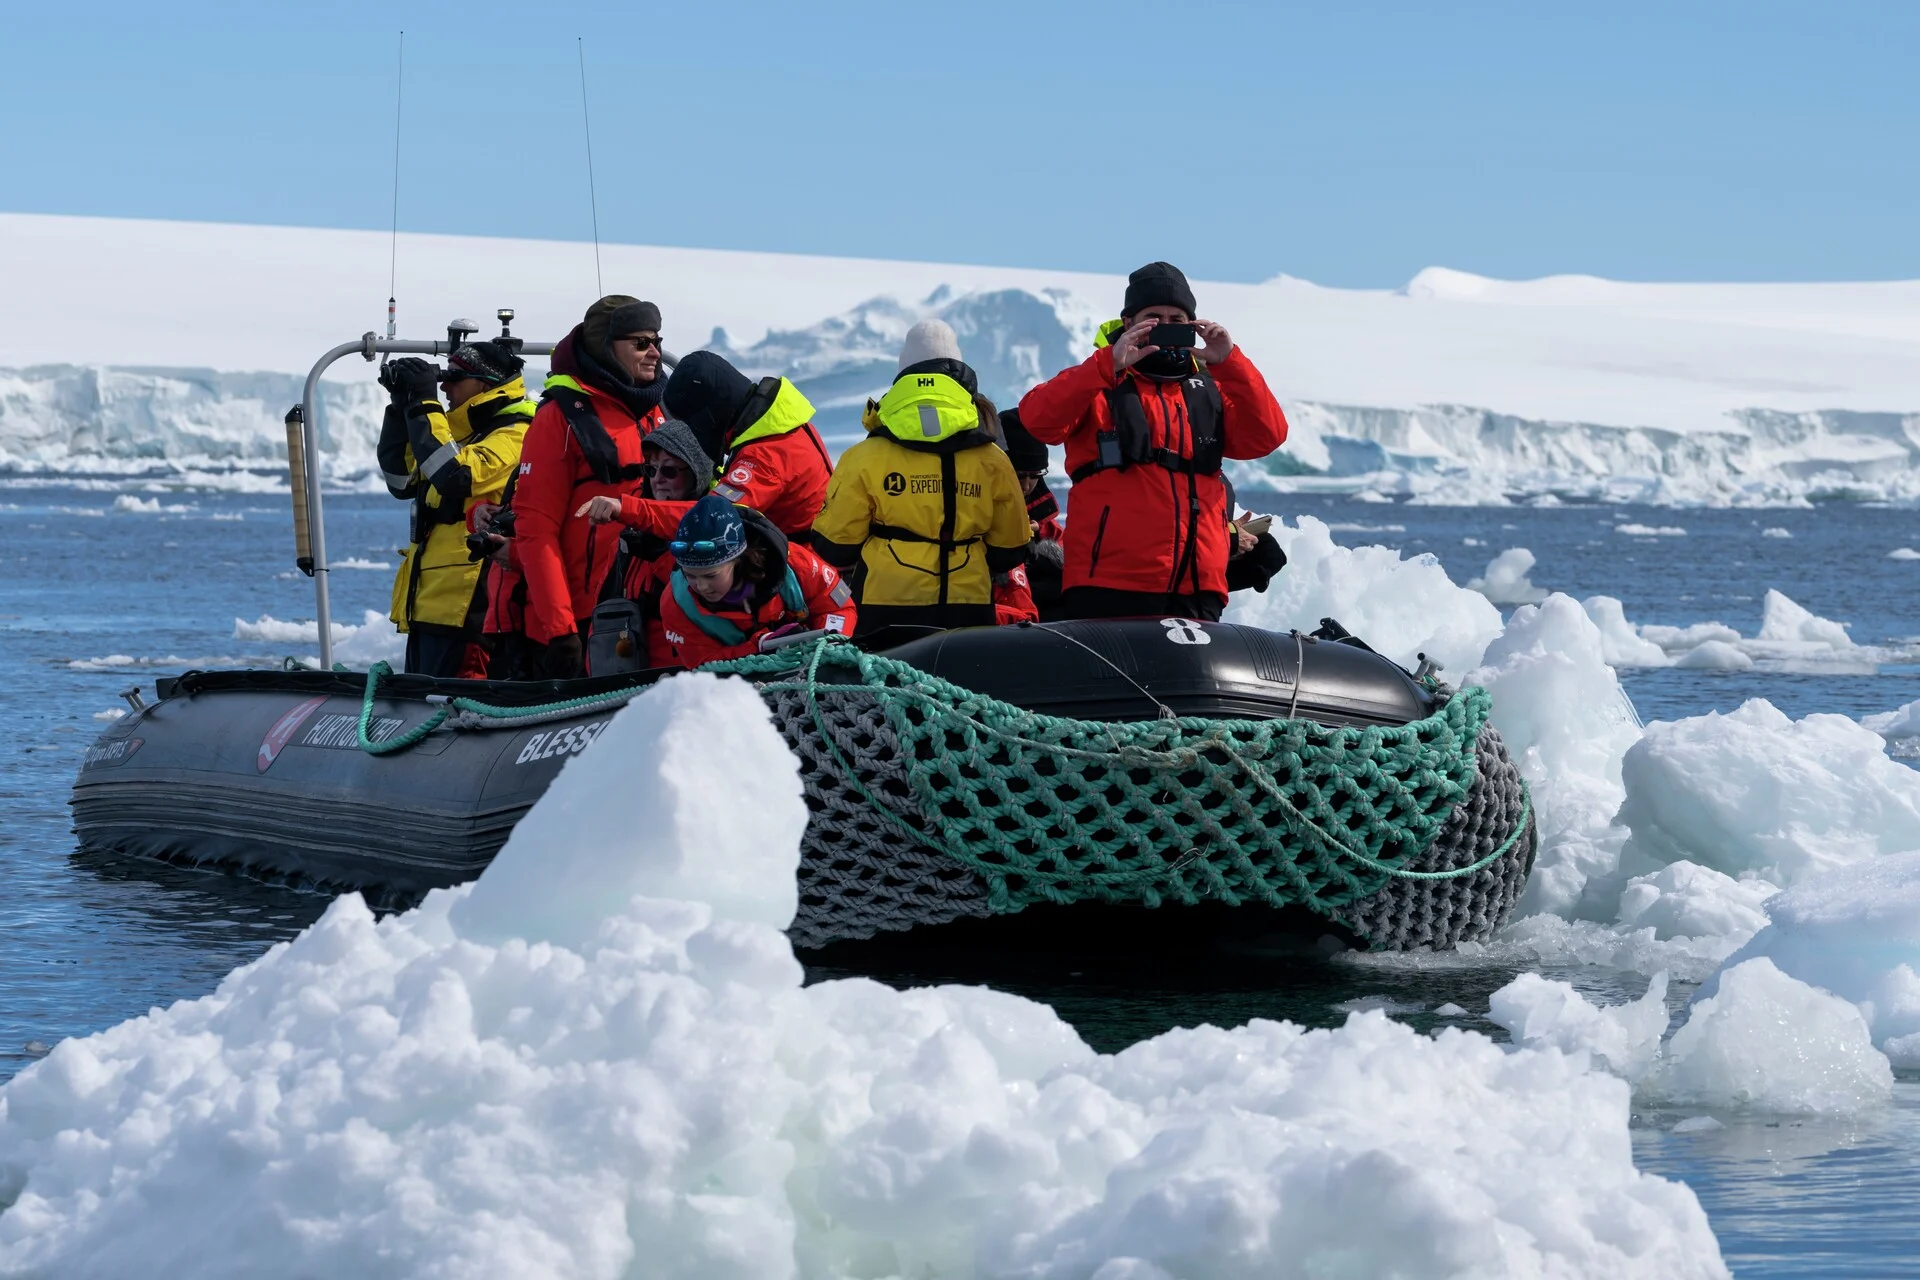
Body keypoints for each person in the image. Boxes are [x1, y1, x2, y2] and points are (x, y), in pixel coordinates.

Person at [1017, 261, 1288, 621]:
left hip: (1197, 586)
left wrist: (1230, 362)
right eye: (1154, 317)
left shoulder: (1209, 392)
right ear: (1129, 323)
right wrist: (1107, 364)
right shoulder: (1098, 385)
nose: (1166, 327)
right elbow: (1037, 420)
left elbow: (1267, 435)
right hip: (1108, 585)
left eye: (1178, 320)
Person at [810, 321, 1031, 637]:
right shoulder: (993, 459)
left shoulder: (864, 456)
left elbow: (835, 546)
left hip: (883, 605)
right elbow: (1009, 551)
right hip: (968, 607)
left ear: (903, 375)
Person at [510, 294, 667, 678]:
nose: (655, 354)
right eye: (641, 343)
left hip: (643, 611)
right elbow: (535, 529)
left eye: (657, 342)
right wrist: (560, 630)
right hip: (578, 624)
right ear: (605, 348)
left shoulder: (656, 412)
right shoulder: (559, 418)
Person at [375, 340, 534, 677]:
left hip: (469, 609)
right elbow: (401, 481)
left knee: (457, 710)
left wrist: (424, 403)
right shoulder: (461, 437)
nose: (445, 386)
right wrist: (402, 406)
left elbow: (456, 476)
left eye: (454, 378)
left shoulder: (517, 434)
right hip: (432, 606)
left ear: (485, 384)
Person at [575, 418, 717, 670]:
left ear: (697, 474)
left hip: (683, 680)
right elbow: (606, 608)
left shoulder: (717, 531)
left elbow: (697, 515)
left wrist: (629, 509)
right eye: (651, 470)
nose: (658, 479)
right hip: (629, 680)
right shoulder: (630, 537)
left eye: (669, 470)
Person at [654, 493, 855, 668]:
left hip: (814, 666)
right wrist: (760, 646)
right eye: (690, 575)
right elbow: (702, 663)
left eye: (711, 575)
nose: (701, 586)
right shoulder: (677, 603)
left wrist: (829, 641)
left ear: (737, 561)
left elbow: (839, 607)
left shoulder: (796, 565)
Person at [659, 350, 833, 539]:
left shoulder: (762, 456)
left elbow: (709, 519)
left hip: (798, 562)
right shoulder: (779, 425)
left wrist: (629, 510)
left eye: (692, 426)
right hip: (808, 551)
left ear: (709, 417)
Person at [996, 407, 1065, 619]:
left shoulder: (1046, 523)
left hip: (1036, 630)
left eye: (1035, 475)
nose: (1026, 485)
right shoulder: (977, 516)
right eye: (1019, 475)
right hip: (1001, 629)